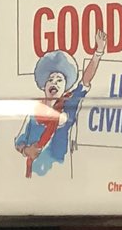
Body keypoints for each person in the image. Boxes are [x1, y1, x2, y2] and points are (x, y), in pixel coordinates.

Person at [14, 34, 106, 178]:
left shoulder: (69, 103)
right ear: (44, 84)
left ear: (66, 86)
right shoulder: (33, 110)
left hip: (60, 173)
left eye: (59, 80)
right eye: (50, 79)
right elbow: (19, 141)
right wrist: (27, 151)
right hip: (34, 176)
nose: (54, 83)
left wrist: (98, 52)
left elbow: (85, 80)